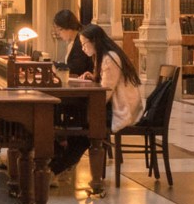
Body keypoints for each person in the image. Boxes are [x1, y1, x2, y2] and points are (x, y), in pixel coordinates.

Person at [51, 22, 144, 178]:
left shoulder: (110, 58)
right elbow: (105, 86)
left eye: (84, 43)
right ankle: (57, 164)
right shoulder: (104, 56)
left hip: (119, 110)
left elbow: (104, 94)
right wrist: (93, 77)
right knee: (76, 124)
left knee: (84, 131)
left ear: (94, 41)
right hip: (110, 107)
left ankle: (55, 168)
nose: (83, 48)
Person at [50, 9, 90, 75]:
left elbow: (76, 68)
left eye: (60, 29)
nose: (58, 33)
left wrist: (55, 66)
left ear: (68, 26)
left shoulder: (81, 40)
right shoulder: (73, 40)